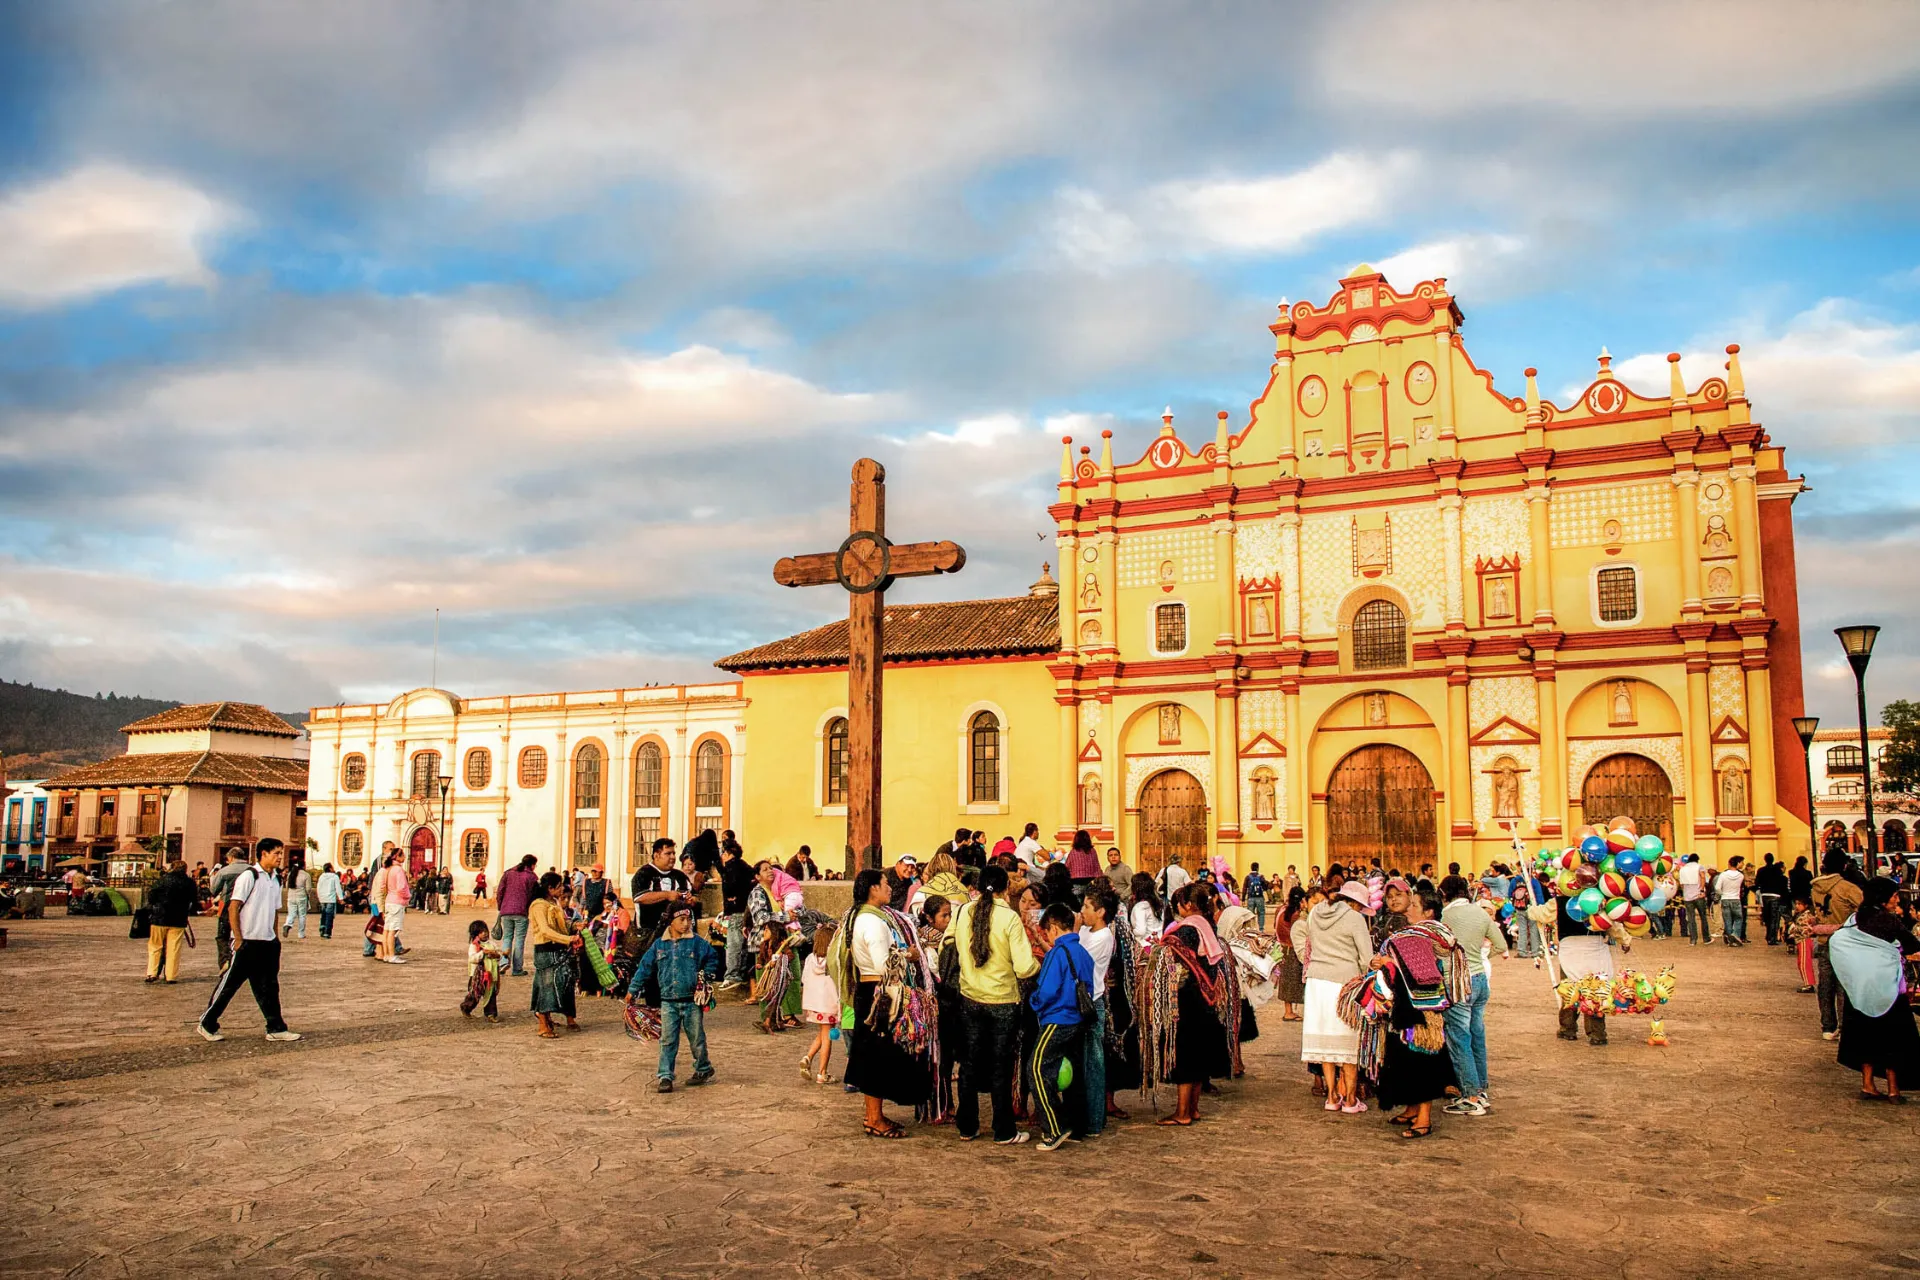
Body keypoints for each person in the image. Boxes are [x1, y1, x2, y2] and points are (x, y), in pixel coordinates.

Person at [831, 868, 933, 1139]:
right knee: (876, 1055)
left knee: (872, 1053)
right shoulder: (873, 923)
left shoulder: (860, 917)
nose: (890, 888)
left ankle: (874, 1115)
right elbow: (883, 963)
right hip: (879, 992)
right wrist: (909, 954)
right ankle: (873, 1118)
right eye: (886, 884)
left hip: (870, 990)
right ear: (873, 889)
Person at [1370, 884, 1466, 1140]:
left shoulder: (1419, 936)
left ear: (1428, 912)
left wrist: (1389, 962)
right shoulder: (1412, 933)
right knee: (1404, 1055)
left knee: (1421, 1058)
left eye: (1414, 905)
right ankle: (1412, 1108)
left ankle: (1424, 1117)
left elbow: (1419, 971)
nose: (1408, 907)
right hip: (1406, 1005)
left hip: (1421, 1009)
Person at [953, 864, 1040, 1144]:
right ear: (1005, 889)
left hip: (970, 997)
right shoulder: (1009, 917)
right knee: (1000, 1067)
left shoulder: (964, 911)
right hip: (1003, 1000)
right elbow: (1025, 967)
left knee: (968, 1065)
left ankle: (967, 1126)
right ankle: (1003, 1130)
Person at [1140, 885, 1235, 1126]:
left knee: (1185, 1054)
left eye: (1179, 903)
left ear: (1188, 905)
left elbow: (1172, 957)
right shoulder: (1208, 925)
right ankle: (1192, 1108)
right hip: (1207, 998)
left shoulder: (1188, 930)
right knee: (1198, 1054)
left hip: (1188, 999)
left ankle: (1182, 1112)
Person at [198, 838, 300, 1043]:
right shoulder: (250, 876)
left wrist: (275, 937)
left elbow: (274, 910)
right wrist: (238, 938)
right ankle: (207, 1022)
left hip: (267, 941)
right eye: (276, 853)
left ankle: (276, 1026)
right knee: (230, 984)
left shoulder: (275, 879)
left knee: (269, 987)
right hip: (247, 940)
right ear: (263, 854)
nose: (280, 857)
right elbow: (234, 906)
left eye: (281, 853)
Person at [1828, 878, 1920, 1102]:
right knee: (1893, 1037)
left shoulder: (1856, 918)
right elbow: (1911, 945)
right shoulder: (1886, 920)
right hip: (1886, 987)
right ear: (1882, 897)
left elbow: (1842, 940)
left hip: (1859, 988)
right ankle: (1893, 1089)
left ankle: (1868, 1085)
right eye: (1894, 895)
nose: (1897, 899)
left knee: (1864, 1035)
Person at [1299, 880, 1375, 1112]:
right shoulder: (1354, 919)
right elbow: (1366, 957)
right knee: (1347, 1041)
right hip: (1344, 982)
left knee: (1325, 1042)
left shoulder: (1314, 914)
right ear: (1355, 903)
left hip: (1316, 983)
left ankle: (1331, 1097)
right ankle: (1350, 1100)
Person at [632, 904, 722, 1091]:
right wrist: (632, 990)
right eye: (681, 920)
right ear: (670, 922)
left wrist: (707, 975)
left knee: (697, 1038)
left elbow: (712, 958)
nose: (686, 923)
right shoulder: (659, 945)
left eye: (689, 919)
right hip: (668, 1002)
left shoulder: (697, 943)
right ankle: (665, 1076)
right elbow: (645, 967)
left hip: (691, 1001)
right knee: (667, 1039)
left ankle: (703, 1067)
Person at [1439, 874, 1506, 1115]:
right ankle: (1481, 1088)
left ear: (1444, 894)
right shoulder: (1480, 912)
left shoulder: (1444, 916)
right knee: (1477, 1034)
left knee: (1459, 1038)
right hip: (1479, 980)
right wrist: (1479, 959)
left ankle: (1471, 1095)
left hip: (1456, 982)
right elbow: (1500, 945)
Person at [1029, 903, 1092, 1151]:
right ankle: (1076, 1125)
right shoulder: (1082, 952)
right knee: (1070, 1073)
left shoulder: (1057, 953)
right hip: (1077, 1020)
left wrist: (1034, 1004)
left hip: (1057, 1019)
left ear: (1053, 928)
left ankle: (1054, 1128)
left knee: (1035, 1069)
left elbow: (1046, 990)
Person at [1811, 850, 1867, 1040]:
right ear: (1844, 865)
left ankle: (1827, 1026)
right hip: (1846, 942)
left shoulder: (1816, 887)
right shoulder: (1848, 888)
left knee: (1825, 985)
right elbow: (1864, 911)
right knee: (1844, 985)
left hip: (1824, 940)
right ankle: (1845, 1026)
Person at [1075, 889, 1116, 1136]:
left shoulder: (1103, 937)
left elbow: (1079, 963)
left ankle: (1094, 1120)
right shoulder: (1084, 931)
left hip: (1092, 1002)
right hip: (1078, 1001)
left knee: (1093, 1063)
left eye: (1087, 907)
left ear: (1100, 912)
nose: (1083, 911)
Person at [528, 871, 581, 1038]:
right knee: (547, 987)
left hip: (558, 949)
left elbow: (560, 924)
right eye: (558, 887)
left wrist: (574, 926)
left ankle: (557, 1017)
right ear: (550, 888)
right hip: (546, 949)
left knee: (563, 983)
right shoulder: (538, 905)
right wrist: (568, 939)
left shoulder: (553, 903)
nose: (561, 890)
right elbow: (545, 930)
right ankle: (543, 1024)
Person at [799, 922, 842, 1085]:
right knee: (827, 1038)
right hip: (829, 1005)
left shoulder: (810, 959)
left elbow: (804, 980)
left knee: (822, 1034)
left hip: (813, 1005)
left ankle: (808, 1057)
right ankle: (822, 1073)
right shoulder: (833, 960)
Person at [143, 858, 197, 984]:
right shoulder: (189, 882)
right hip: (178, 918)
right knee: (174, 948)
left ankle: (152, 973)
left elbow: (151, 895)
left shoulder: (163, 880)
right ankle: (171, 976)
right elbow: (194, 899)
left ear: (172, 868)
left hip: (159, 917)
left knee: (155, 946)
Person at [716, 840, 757, 991]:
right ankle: (742, 973)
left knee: (734, 944)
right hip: (746, 909)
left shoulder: (732, 867)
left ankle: (732, 975)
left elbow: (730, 887)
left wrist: (731, 897)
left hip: (737, 910)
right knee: (744, 944)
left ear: (727, 853)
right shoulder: (744, 865)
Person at [496, 855, 540, 976]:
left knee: (507, 937)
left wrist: (500, 906)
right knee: (519, 940)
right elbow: (534, 895)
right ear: (532, 864)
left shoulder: (508, 873)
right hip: (522, 911)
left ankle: (504, 961)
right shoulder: (531, 877)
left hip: (506, 910)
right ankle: (517, 969)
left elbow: (500, 891)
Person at [208, 849, 251, 969]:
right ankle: (243, 963)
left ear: (231, 858)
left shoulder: (225, 871)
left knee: (223, 936)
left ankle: (225, 962)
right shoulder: (253, 871)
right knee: (245, 935)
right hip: (248, 907)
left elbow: (213, 890)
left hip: (228, 906)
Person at [1273, 886, 1310, 1021]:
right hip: (1294, 949)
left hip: (1282, 948)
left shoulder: (1280, 909)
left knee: (1286, 982)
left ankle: (1288, 1010)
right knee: (1296, 981)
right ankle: (1289, 1013)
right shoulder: (1297, 915)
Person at [461, 919, 506, 1020]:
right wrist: (482, 953)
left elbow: (498, 955)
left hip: (491, 974)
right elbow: (472, 959)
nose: (485, 934)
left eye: (486, 931)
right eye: (481, 932)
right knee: (475, 994)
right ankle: (466, 1007)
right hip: (478, 976)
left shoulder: (492, 944)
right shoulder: (474, 946)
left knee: (491, 994)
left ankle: (491, 1014)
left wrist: (496, 955)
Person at [1755, 854, 1788, 945]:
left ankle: (1768, 934)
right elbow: (1782, 882)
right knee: (1774, 918)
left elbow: (1757, 882)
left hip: (1765, 895)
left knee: (1767, 917)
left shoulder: (1761, 870)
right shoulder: (1777, 870)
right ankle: (1772, 938)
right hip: (1775, 895)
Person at [1678, 854, 1711, 944]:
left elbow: (1681, 884)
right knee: (1703, 917)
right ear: (1697, 860)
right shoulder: (1699, 867)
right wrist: (1701, 890)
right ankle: (1706, 938)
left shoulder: (1683, 869)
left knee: (1691, 919)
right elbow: (1703, 877)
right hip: (1698, 895)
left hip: (1687, 897)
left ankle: (1693, 940)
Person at [1715, 857, 1748, 946]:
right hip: (1736, 899)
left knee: (1727, 920)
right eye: (1741, 862)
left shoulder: (1723, 875)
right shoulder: (1740, 876)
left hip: (1725, 899)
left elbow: (1717, 887)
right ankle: (1736, 935)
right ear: (1737, 863)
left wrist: (1722, 894)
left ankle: (1730, 938)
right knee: (1738, 918)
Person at [1128, 872, 1165, 946]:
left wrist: (1130, 931)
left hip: (1145, 945)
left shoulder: (1140, 907)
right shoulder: (1158, 903)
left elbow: (1140, 931)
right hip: (1160, 942)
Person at [1064, 830, 1101, 894]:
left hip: (1076, 882)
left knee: (1078, 902)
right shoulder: (1092, 851)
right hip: (1090, 882)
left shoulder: (1074, 852)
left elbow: (1067, 867)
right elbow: (1097, 866)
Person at [282, 861, 311, 940]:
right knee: (302, 915)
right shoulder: (306, 875)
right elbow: (308, 888)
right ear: (303, 866)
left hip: (291, 896)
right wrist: (307, 894)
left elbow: (287, 886)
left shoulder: (290, 874)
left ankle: (287, 924)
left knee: (291, 914)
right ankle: (301, 933)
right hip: (301, 896)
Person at [315, 863, 342, 939]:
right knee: (329, 915)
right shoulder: (335, 876)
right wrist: (341, 898)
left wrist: (319, 896)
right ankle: (327, 932)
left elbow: (318, 887)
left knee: (323, 913)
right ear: (330, 868)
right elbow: (338, 888)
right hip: (330, 898)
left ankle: (322, 927)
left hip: (323, 898)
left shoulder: (321, 876)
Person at [1243, 862, 1269, 931]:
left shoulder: (1247, 877)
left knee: (1250, 914)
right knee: (1261, 913)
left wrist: (1243, 899)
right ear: (1258, 868)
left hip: (1251, 898)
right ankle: (1261, 929)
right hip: (1260, 898)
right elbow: (1265, 887)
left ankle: (1251, 929)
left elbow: (1244, 888)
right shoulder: (1261, 877)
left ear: (1251, 868)